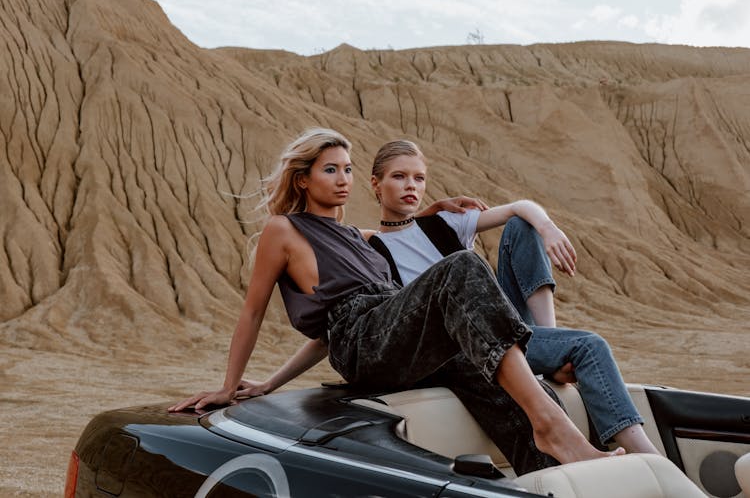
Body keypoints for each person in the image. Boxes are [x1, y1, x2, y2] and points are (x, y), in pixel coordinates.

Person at [169, 128, 624, 466]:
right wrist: (235, 386)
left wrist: (430, 210)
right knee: (461, 267)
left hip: (390, 336)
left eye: (348, 168)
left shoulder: (361, 237)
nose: (343, 179)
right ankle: (553, 429)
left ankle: (552, 471)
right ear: (303, 180)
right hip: (362, 343)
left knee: (484, 370)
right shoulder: (284, 230)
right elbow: (254, 313)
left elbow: (400, 250)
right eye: (330, 170)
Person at [367, 139, 660, 455]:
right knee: (590, 345)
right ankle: (649, 458)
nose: (411, 185)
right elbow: (341, 235)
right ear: (376, 184)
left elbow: (522, 207)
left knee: (523, 225)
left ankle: (550, 341)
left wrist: (548, 229)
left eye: (419, 178)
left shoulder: (444, 223)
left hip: (505, 328)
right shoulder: (371, 247)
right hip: (468, 346)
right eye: (399, 177)